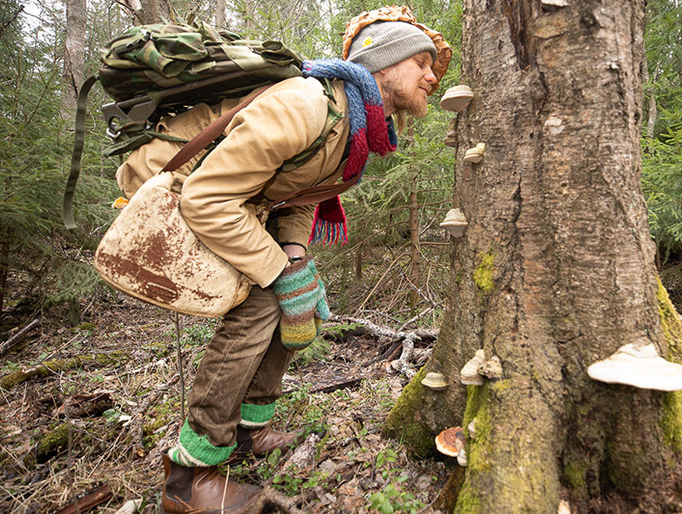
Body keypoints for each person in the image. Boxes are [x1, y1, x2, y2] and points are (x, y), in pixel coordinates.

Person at [116, 6, 450, 513]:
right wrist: (277, 274)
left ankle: (250, 429)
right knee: (260, 305)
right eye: (422, 62)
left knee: (301, 302)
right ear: (384, 62)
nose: (432, 77)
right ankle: (187, 476)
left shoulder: (351, 122)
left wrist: (295, 257)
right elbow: (205, 199)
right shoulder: (306, 105)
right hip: (174, 188)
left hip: (241, 198)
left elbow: (300, 192)